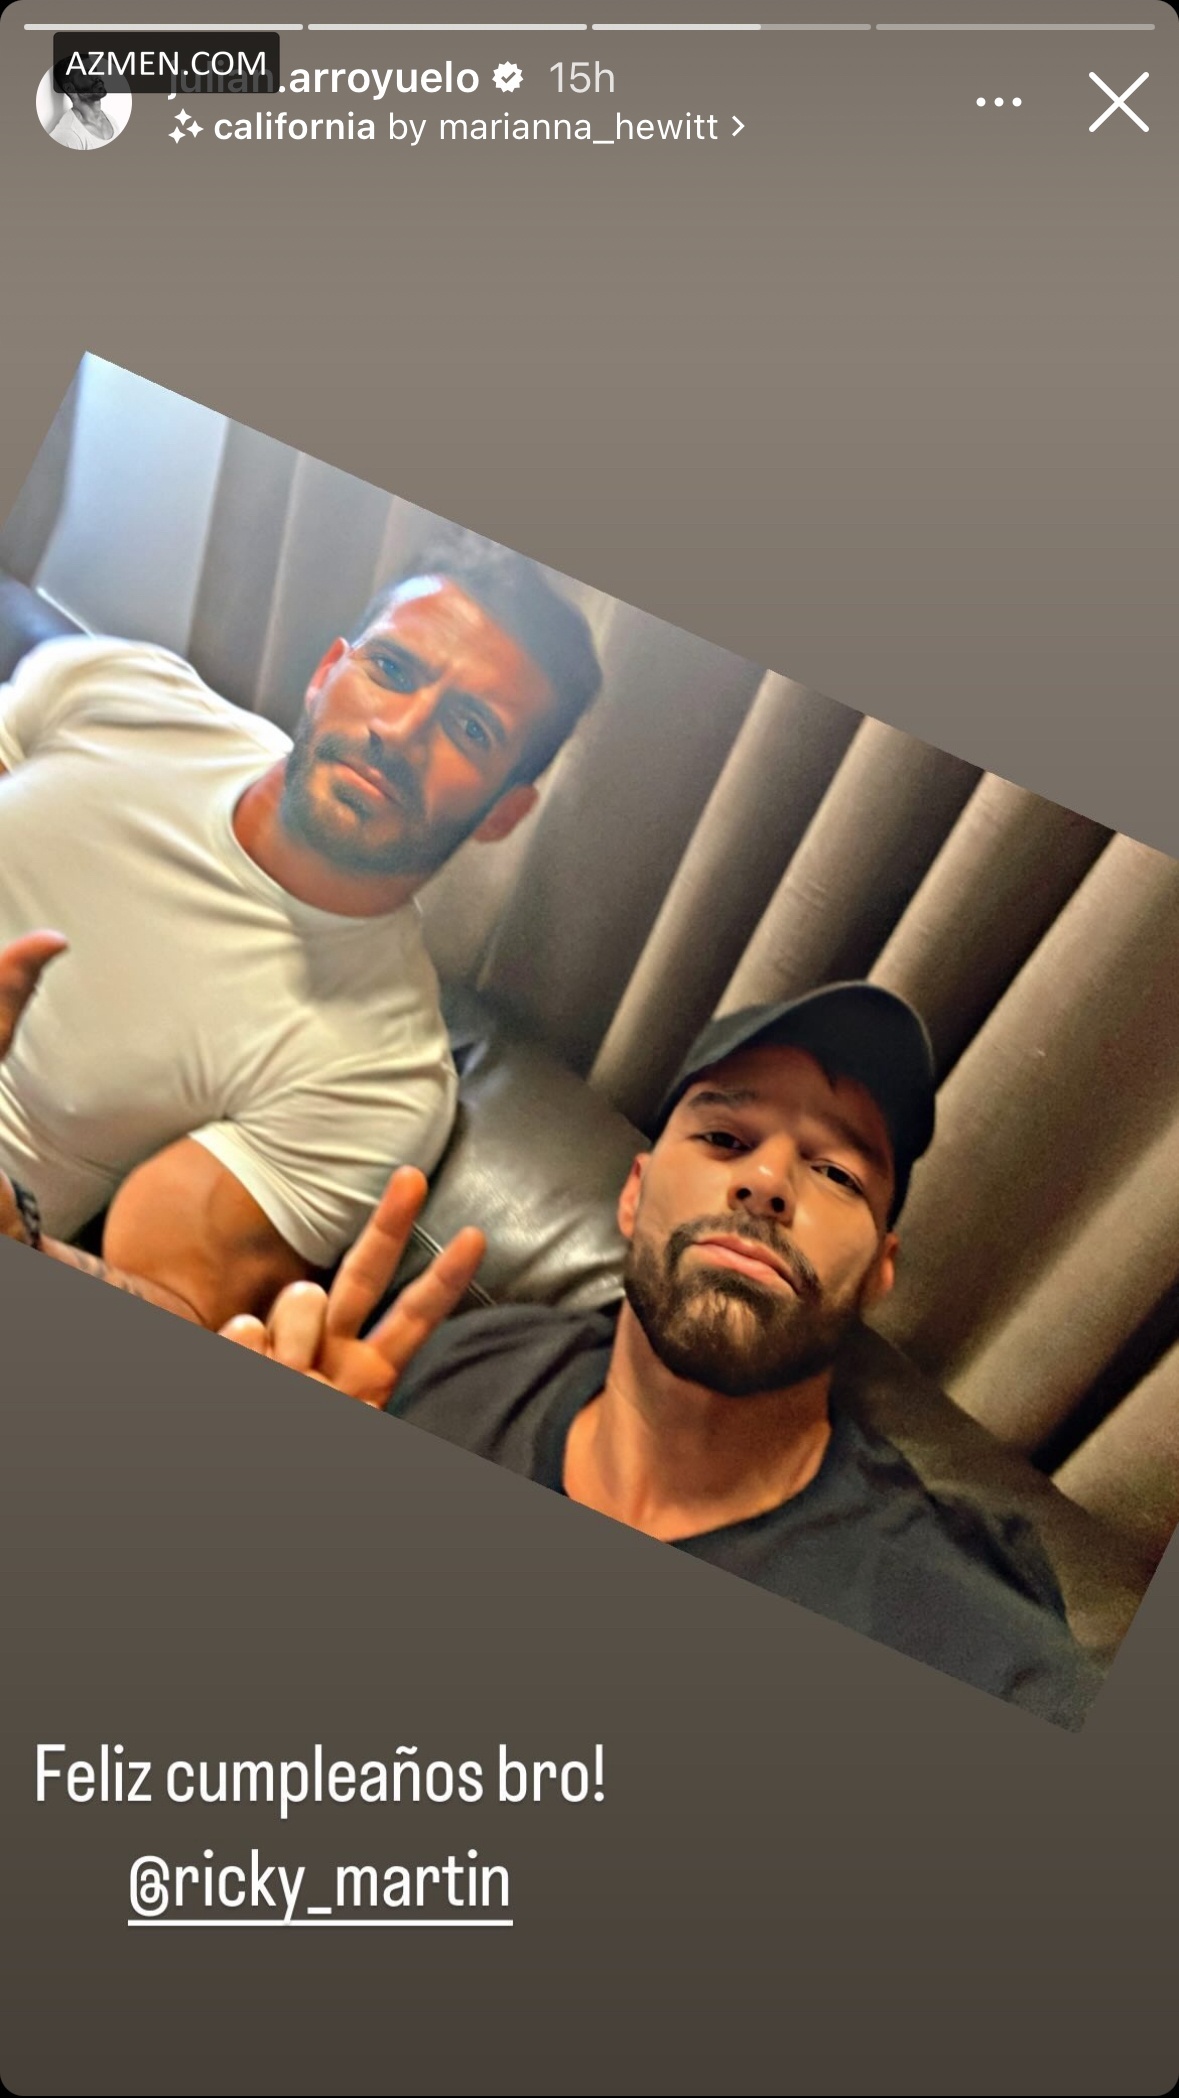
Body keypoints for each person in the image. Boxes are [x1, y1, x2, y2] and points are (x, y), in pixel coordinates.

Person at [221, 981, 1104, 1726]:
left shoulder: (962, 1632)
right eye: (724, 1139)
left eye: (837, 1173)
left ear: (878, 1269)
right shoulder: (465, 1358)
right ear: (634, 1194)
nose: (766, 1182)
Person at [0, 538, 601, 1328]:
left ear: (503, 813)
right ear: (327, 672)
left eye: (470, 728)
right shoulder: (120, 690)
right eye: (391, 669)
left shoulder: (376, 1075)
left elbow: (171, 1298)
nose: (402, 729)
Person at [46, 67, 117, 151]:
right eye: (85, 73)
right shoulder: (68, 136)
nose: (96, 77)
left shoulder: (111, 121)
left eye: (95, 70)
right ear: (69, 88)